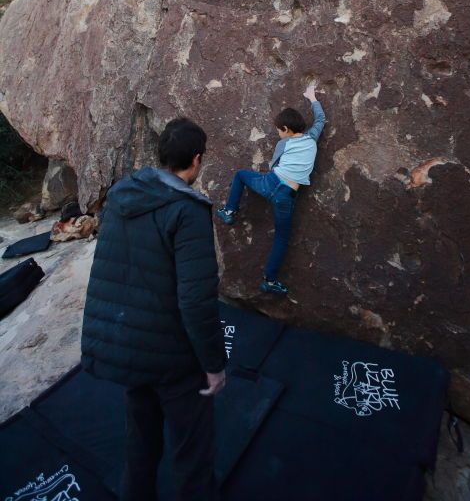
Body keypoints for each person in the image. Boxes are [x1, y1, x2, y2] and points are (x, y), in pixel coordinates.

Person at [81, 118, 226, 501]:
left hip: (128, 346)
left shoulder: (122, 196)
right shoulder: (188, 210)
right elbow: (196, 300)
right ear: (196, 160)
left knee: (140, 447)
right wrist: (213, 365)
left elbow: (114, 270)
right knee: (193, 456)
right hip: (174, 358)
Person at [216, 83, 326, 296]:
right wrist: (312, 97)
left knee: (240, 175)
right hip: (287, 196)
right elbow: (320, 119)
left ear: (286, 129)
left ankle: (230, 212)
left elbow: (274, 166)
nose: (277, 133)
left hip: (271, 183)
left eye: (278, 130)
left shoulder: (283, 145)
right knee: (282, 238)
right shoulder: (312, 137)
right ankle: (270, 280)